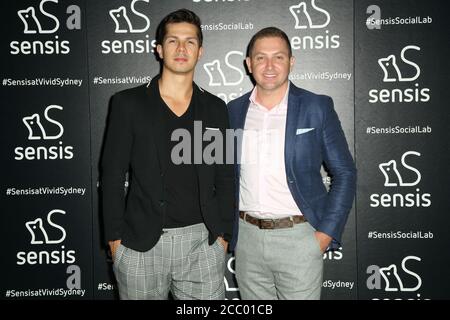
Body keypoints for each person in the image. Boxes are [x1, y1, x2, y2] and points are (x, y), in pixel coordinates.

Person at [101, 9, 234, 300]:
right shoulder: (127, 103)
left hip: (203, 243)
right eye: (173, 41)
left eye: (190, 41)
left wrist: (223, 236)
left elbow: (225, 176)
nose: (182, 48)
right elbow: (112, 175)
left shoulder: (215, 108)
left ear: (200, 51)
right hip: (140, 244)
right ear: (159, 49)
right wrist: (115, 241)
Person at [227, 27, 356, 300]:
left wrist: (323, 235)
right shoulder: (232, 111)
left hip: (299, 239)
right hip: (247, 239)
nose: (270, 66)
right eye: (261, 58)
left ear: (291, 62)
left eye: (279, 57)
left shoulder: (316, 106)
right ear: (249, 64)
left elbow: (345, 173)